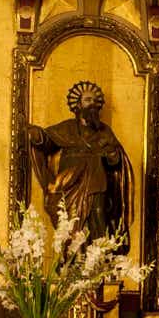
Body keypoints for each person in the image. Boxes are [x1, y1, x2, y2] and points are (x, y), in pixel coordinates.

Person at [27, 80, 131, 241]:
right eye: (88, 100)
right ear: (78, 105)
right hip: (71, 181)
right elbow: (47, 140)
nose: (92, 104)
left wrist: (111, 153)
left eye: (94, 101)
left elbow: (116, 162)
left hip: (96, 181)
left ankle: (100, 254)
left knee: (98, 215)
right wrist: (37, 135)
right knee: (71, 221)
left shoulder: (104, 131)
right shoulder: (67, 128)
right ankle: (73, 254)